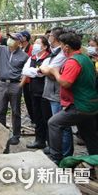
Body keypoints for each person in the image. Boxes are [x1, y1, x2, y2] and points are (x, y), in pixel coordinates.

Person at [40, 31, 98, 164]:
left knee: (53, 123)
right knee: (89, 134)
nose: (60, 48)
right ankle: (95, 158)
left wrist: (55, 71)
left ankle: (57, 159)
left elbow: (66, 83)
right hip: (91, 104)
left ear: (66, 47)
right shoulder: (86, 59)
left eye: (61, 45)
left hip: (79, 105)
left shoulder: (73, 62)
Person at [0, 28, 29, 145]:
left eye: (13, 38)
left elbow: (27, 71)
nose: (10, 40)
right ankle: (1, 133)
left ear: (19, 42)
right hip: (2, 84)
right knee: (0, 110)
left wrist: (21, 84)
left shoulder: (24, 56)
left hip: (15, 85)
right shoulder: (2, 49)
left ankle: (16, 135)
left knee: (15, 112)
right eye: (10, 37)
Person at [41, 27, 72, 157]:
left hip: (57, 94)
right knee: (54, 124)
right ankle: (56, 149)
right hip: (51, 92)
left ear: (56, 38)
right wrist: (45, 68)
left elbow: (49, 70)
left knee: (61, 126)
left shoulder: (62, 55)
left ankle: (65, 154)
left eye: (51, 35)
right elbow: (44, 67)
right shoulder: (54, 52)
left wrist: (44, 68)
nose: (49, 37)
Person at [21, 35, 51, 149]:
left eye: (38, 43)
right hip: (33, 91)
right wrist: (35, 71)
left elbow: (42, 73)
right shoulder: (32, 58)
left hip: (44, 92)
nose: (35, 45)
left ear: (44, 47)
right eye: (35, 43)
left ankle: (50, 143)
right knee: (37, 117)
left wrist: (34, 71)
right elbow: (25, 71)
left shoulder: (48, 58)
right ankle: (39, 140)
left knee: (46, 118)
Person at [19, 30, 35, 124]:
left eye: (21, 36)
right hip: (23, 79)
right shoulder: (21, 49)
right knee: (27, 100)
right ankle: (32, 118)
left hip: (30, 79)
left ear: (25, 38)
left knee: (32, 100)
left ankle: (35, 119)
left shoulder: (32, 49)